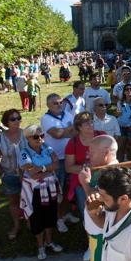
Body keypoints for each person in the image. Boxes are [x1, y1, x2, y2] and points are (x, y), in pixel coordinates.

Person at [19, 125, 64, 260]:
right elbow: (32, 173)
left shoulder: (47, 148)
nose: (40, 139)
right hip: (34, 191)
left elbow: (57, 164)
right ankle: (40, 246)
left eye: (42, 135)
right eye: (36, 137)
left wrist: (42, 168)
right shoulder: (24, 152)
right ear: (28, 138)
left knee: (50, 215)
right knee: (37, 218)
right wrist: (48, 170)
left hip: (50, 188)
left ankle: (49, 241)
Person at [40, 93, 79, 234]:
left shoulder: (68, 115)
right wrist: (68, 130)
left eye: (61, 102)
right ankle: (57, 218)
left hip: (70, 157)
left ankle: (65, 212)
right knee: (57, 191)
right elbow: (56, 134)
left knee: (69, 187)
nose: (59, 105)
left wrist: (64, 132)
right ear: (48, 106)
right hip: (56, 159)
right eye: (55, 103)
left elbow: (75, 132)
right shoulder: (46, 119)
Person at [0, 109, 28, 241]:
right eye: (13, 119)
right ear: (6, 122)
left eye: (18, 118)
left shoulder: (26, 134)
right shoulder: (0, 138)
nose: (17, 121)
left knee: (28, 199)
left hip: (28, 174)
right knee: (13, 202)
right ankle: (16, 225)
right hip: (9, 175)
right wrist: (2, 175)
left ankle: (29, 220)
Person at [65, 112, 106, 218]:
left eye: (92, 122)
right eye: (87, 124)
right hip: (81, 182)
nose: (91, 125)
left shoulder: (102, 135)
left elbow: (111, 156)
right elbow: (68, 167)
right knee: (87, 210)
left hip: (103, 178)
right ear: (79, 127)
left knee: (106, 208)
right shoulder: (73, 142)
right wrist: (87, 168)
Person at [115, 85, 131, 161]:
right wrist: (118, 113)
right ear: (124, 92)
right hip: (121, 127)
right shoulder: (120, 102)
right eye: (127, 89)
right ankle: (120, 165)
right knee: (120, 147)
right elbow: (118, 114)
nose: (129, 90)